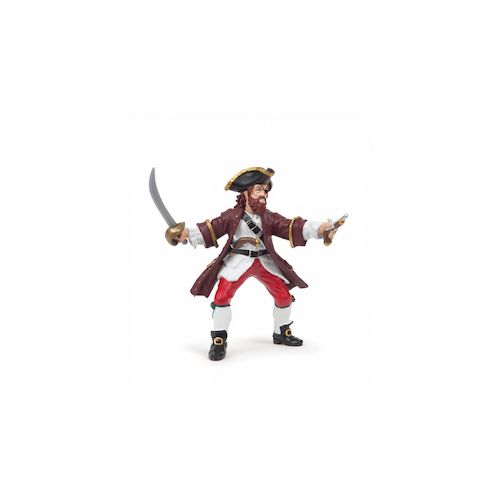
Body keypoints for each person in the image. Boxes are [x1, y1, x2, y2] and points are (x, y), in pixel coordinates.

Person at [172, 167, 337, 361]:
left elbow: (291, 226)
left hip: (264, 261)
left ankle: (281, 331)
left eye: (265, 191)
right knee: (221, 297)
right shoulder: (231, 216)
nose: (263, 194)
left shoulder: (268, 217)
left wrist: (320, 229)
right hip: (238, 262)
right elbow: (210, 229)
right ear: (246, 193)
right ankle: (219, 340)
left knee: (284, 296)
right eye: (259, 189)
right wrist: (185, 233)